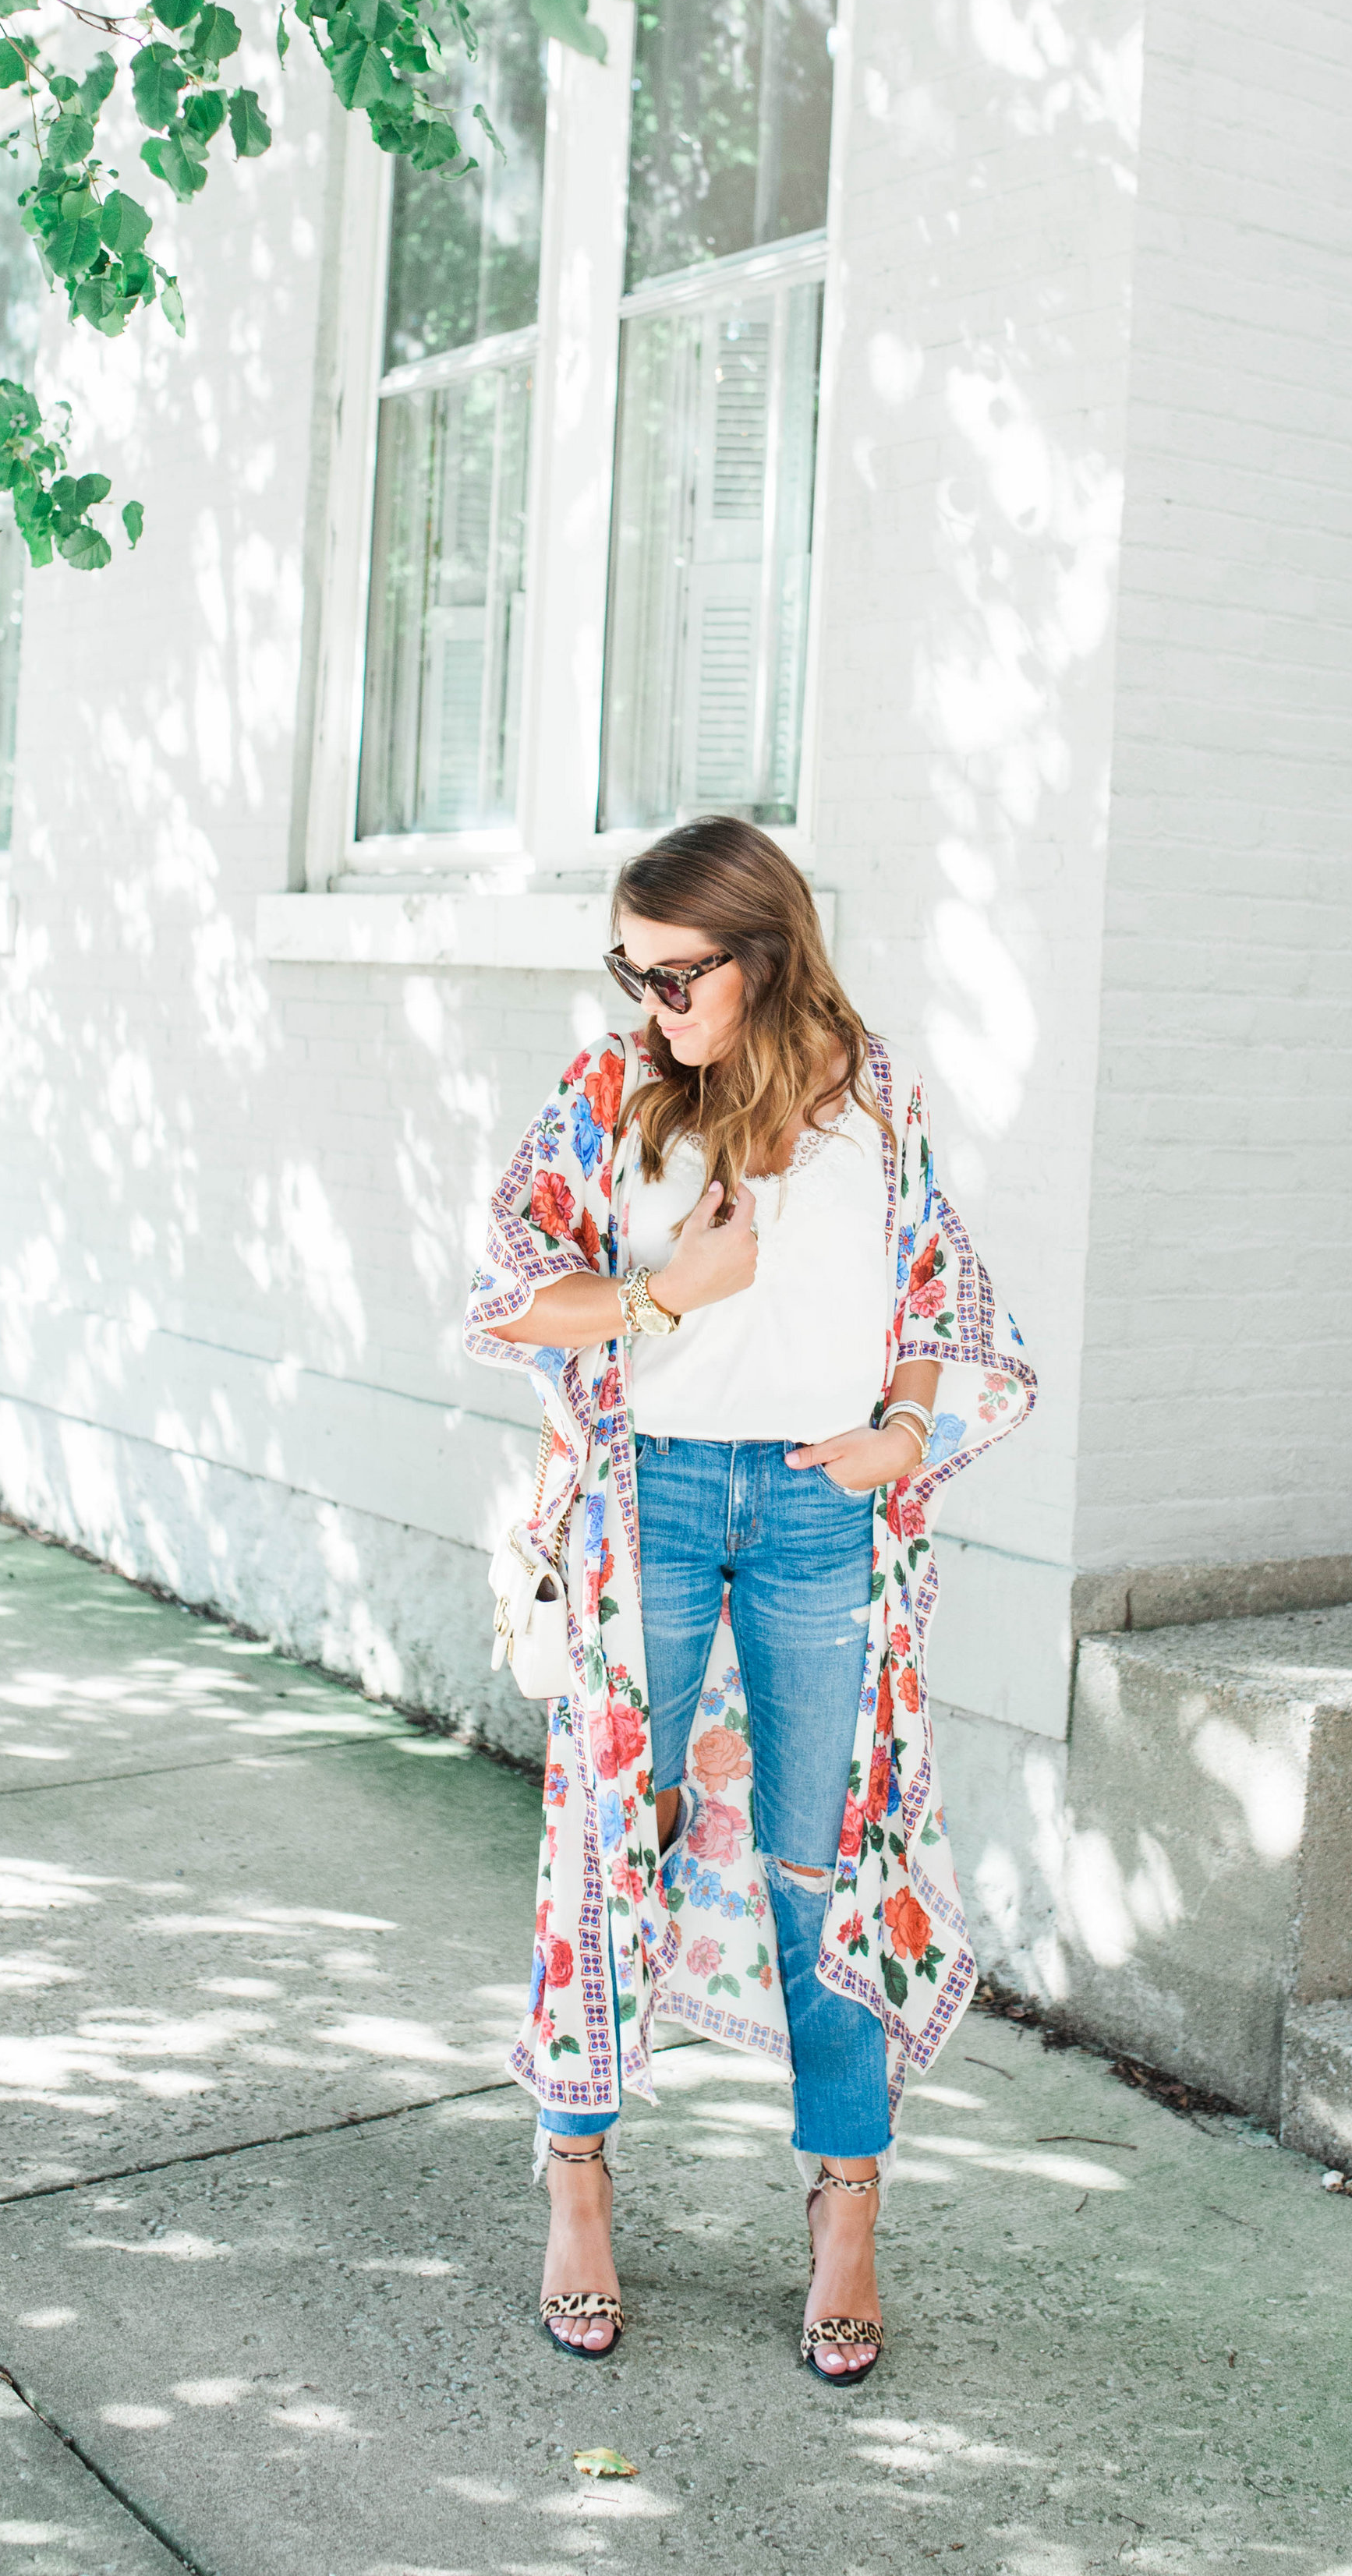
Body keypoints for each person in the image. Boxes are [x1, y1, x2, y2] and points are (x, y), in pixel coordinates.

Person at [464, 815, 1035, 2380]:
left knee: (818, 1859)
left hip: (811, 1505)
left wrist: (902, 1430)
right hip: (649, 1500)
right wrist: (665, 1291)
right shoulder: (606, 1091)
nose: (647, 996)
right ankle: (574, 2180)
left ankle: (843, 2212)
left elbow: (935, 1290)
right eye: (628, 968)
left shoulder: (877, 1095)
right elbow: (509, 1290)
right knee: (603, 1840)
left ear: (761, 952)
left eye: (675, 971)